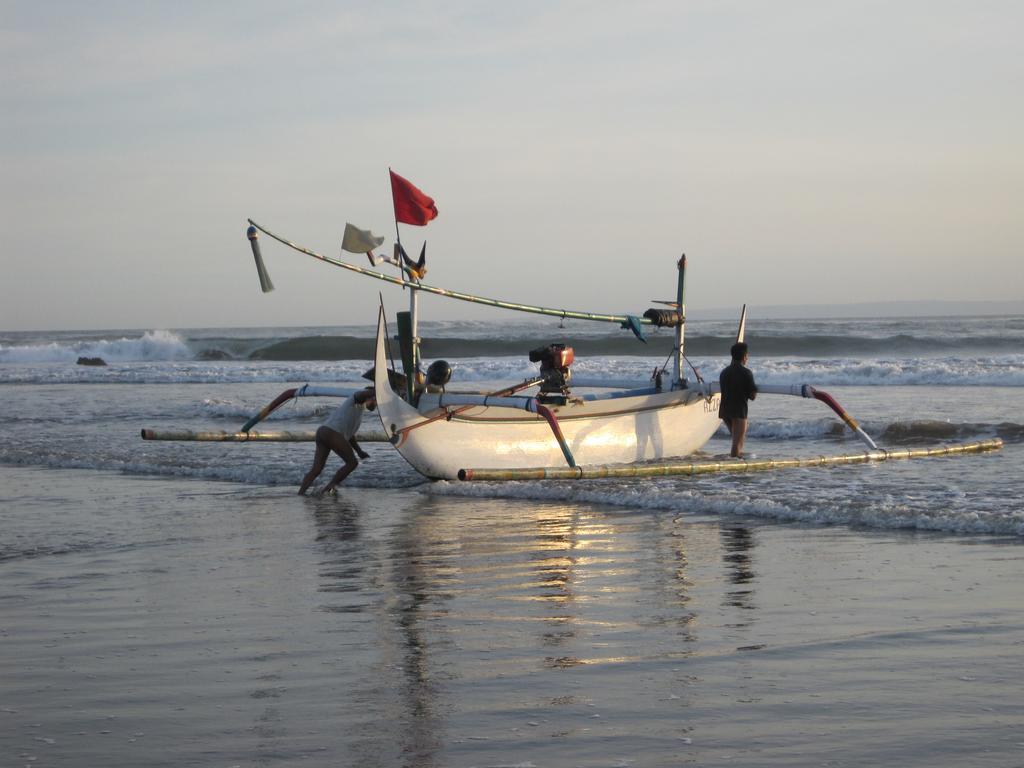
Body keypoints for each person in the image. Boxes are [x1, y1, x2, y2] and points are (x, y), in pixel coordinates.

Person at [299, 387, 376, 495]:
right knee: (352, 463)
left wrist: (359, 451)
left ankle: (300, 494)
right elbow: (361, 394)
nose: (376, 403)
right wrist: (380, 390)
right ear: (368, 396)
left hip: (322, 432)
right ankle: (329, 487)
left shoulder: (359, 410)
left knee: (316, 469)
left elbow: (350, 436)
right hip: (331, 432)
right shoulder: (355, 399)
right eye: (374, 400)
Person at [719, 342, 757, 458]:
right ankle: (734, 470)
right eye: (747, 356)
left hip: (725, 411)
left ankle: (735, 463)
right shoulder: (746, 372)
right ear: (744, 357)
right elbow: (752, 396)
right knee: (737, 443)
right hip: (738, 411)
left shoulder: (724, 372)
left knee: (737, 440)